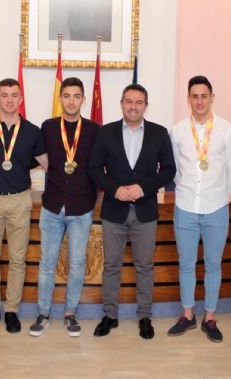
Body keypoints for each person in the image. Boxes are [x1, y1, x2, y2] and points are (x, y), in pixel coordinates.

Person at [89, 83, 176, 340]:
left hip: (145, 210)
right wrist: (114, 189)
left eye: (139, 102)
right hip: (114, 210)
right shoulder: (106, 132)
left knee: (145, 266)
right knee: (111, 265)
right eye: (129, 101)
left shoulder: (159, 133)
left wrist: (144, 188)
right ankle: (110, 315)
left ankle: (145, 316)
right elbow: (94, 169)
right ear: (121, 104)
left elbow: (169, 169)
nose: (133, 107)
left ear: (146, 106)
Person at [167, 76, 231, 342]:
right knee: (186, 264)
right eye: (194, 96)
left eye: (204, 96)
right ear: (188, 99)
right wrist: (187, 190)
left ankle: (210, 317)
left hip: (216, 207)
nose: (199, 101)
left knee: (213, 265)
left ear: (212, 97)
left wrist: (218, 194)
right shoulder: (177, 131)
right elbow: (175, 170)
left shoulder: (227, 131)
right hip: (185, 206)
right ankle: (187, 314)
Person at [29, 77, 100, 338]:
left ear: (83, 100)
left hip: (81, 207)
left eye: (76, 96)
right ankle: (43, 313)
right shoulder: (48, 127)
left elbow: (99, 165)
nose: (71, 101)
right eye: (67, 96)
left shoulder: (94, 130)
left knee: (77, 264)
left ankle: (70, 314)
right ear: (60, 99)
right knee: (47, 263)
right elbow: (39, 157)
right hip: (52, 206)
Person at [0, 78, 47, 333]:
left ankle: (12, 310)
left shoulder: (32, 131)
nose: (9, 99)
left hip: (19, 200)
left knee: (18, 259)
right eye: (4, 95)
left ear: (20, 99)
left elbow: (45, 162)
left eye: (14, 95)